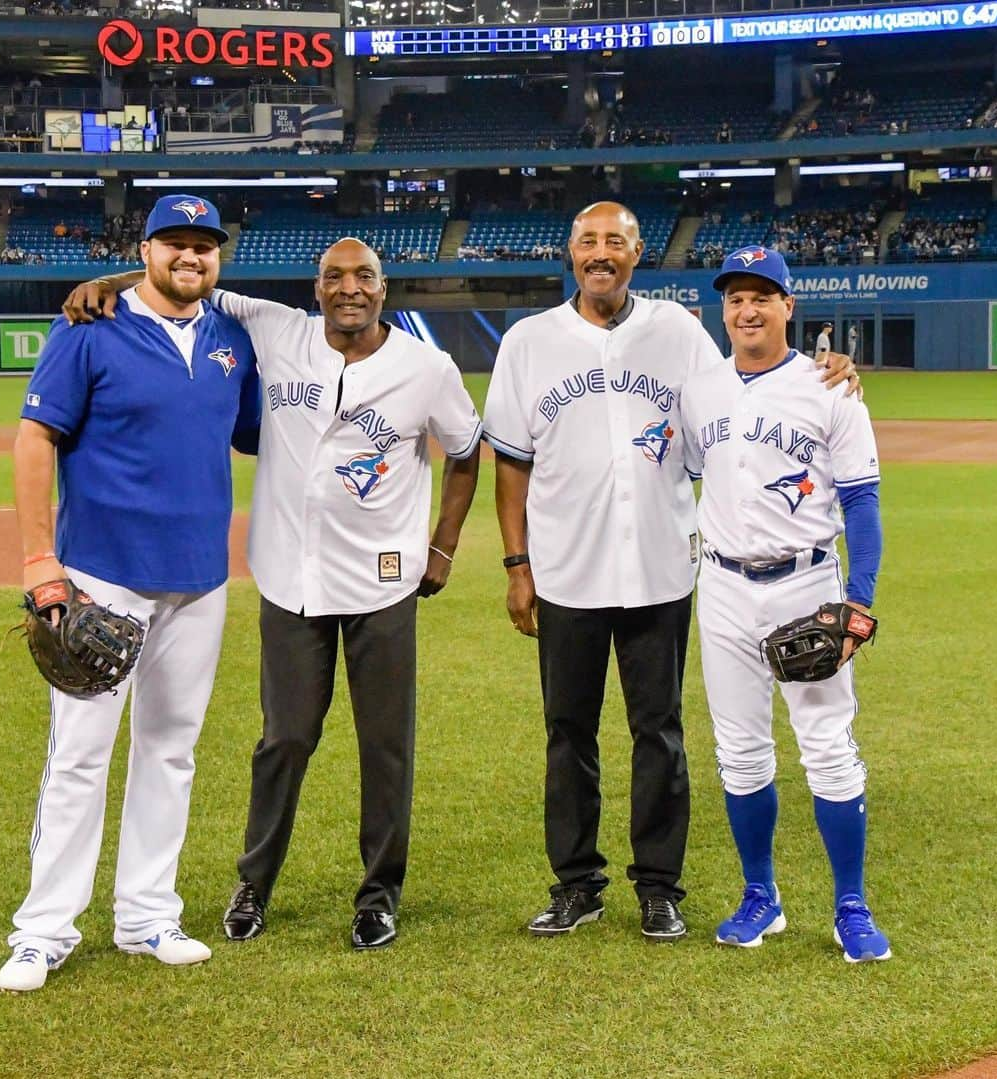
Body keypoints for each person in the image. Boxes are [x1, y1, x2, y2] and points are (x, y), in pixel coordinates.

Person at [62, 238, 481, 951]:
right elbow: (187, 278)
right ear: (315, 289)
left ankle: (378, 894)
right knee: (283, 739)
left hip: (382, 584)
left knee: (385, 745)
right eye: (334, 277)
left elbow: (467, 452)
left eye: (365, 277)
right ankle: (254, 883)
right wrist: (109, 279)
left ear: (385, 290)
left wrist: (441, 545)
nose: (349, 288)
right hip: (291, 577)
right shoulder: (274, 326)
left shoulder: (427, 368)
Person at [483, 204, 858, 941]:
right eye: (587, 241)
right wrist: (517, 564)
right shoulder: (528, 342)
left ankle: (659, 886)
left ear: (636, 253)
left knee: (660, 730)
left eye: (614, 242)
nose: (600, 254)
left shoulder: (680, 333)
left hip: (661, 568)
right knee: (569, 732)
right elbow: (510, 464)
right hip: (564, 571)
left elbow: (749, 387)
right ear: (571, 251)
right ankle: (577, 884)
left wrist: (831, 372)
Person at [0, 194, 261, 993]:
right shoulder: (88, 328)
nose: (191, 256)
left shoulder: (233, 339)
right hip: (102, 576)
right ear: (143, 251)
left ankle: (147, 914)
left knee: (170, 751)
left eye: (204, 244)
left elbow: (254, 433)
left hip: (199, 580)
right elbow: (36, 436)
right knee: (79, 756)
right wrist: (42, 558)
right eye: (174, 243)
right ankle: (43, 928)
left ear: (220, 256)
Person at [680, 246, 889, 962]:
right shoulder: (700, 389)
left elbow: (862, 503)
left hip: (807, 584)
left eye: (762, 296)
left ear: (788, 307)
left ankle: (850, 905)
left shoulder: (830, 388)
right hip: (724, 587)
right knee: (739, 751)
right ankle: (760, 895)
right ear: (725, 309)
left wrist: (857, 602)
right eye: (736, 297)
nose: (747, 309)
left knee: (828, 747)